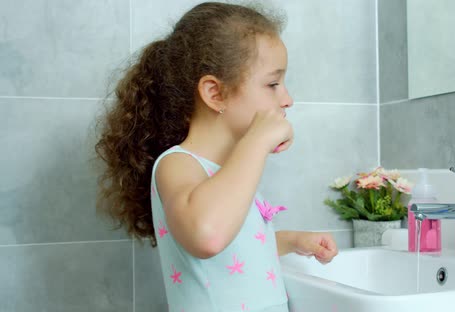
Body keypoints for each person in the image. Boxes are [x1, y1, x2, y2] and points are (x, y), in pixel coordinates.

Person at [95, 2, 338, 311]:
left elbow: (238, 252)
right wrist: (256, 141)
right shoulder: (177, 164)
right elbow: (208, 237)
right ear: (215, 93)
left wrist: (293, 241)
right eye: (273, 84)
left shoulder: (232, 172)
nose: (287, 100)